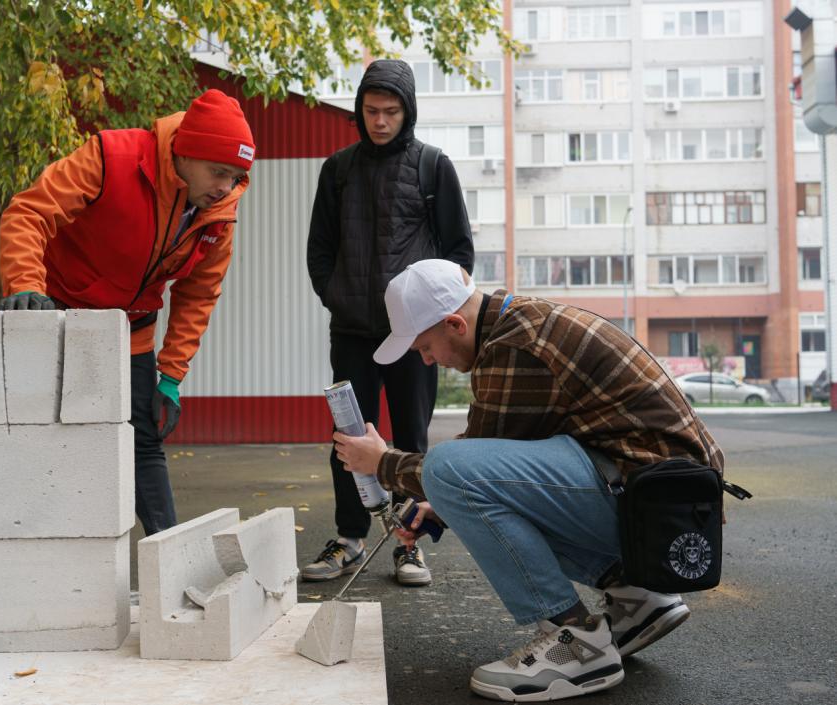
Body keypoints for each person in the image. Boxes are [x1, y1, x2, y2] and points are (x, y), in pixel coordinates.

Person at [334, 259, 725, 701]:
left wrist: (383, 462)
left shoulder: (517, 344)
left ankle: (574, 639)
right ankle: (637, 598)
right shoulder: (516, 324)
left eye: (425, 347)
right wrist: (438, 501)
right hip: (664, 505)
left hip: (661, 510)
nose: (427, 360)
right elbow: (489, 460)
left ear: (455, 323)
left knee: (446, 469)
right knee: (453, 477)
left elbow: (460, 468)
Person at [0, 89, 255, 536]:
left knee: (144, 442)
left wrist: (171, 378)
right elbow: (28, 213)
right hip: (56, 313)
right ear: (186, 152)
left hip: (129, 329)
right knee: (41, 436)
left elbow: (198, 295)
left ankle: (169, 552)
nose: (225, 188)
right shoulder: (111, 157)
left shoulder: (219, 214)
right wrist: (24, 284)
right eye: (218, 172)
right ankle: (36, 547)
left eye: (235, 177)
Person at [304, 59, 474, 586]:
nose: (380, 121)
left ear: (408, 112)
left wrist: (434, 318)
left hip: (417, 335)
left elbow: (459, 252)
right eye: (371, 111)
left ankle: (408, 546)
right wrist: (339, 297)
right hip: (353, 329)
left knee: (409, 436)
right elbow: (320, 250)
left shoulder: (433, 166)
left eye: (391, 112)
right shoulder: (338, 170)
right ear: (360, 111)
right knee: (347, 435)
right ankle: (350, 539)